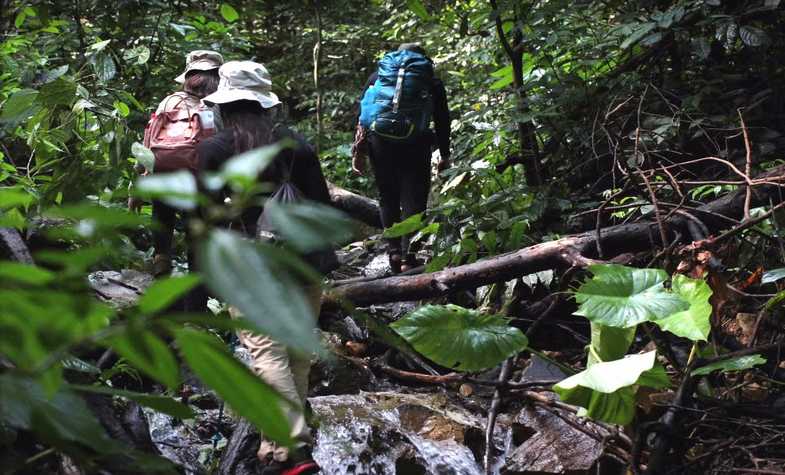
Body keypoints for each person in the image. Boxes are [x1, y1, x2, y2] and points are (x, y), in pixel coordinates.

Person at [199, 60, 327, 475]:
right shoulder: (297, 145)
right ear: (265, 104)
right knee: (297, 357)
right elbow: (322, 207)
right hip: (304, 263)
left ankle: (294, 449)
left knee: (267, 354)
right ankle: (274, 451)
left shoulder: (216, 151)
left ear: (224, 104)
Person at [352, 43, 451, 273]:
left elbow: (363, 115)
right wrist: (445, 154)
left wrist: (359, 152)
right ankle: (409, 257)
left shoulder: (378, 76)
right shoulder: (430, 80)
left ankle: (394, 252)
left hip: (380, 143)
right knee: (414, 199)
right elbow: (442, 119)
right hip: (416, 143)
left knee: (387, 196)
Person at [142, 50, 223, 278]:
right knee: (195, 226)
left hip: (163, 170)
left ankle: (161, 258)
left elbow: (149, 140)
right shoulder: (216, 107)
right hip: (197, 176)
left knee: (162, 213)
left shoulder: (168, 101)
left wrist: (142, 177)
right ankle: (197, 279)